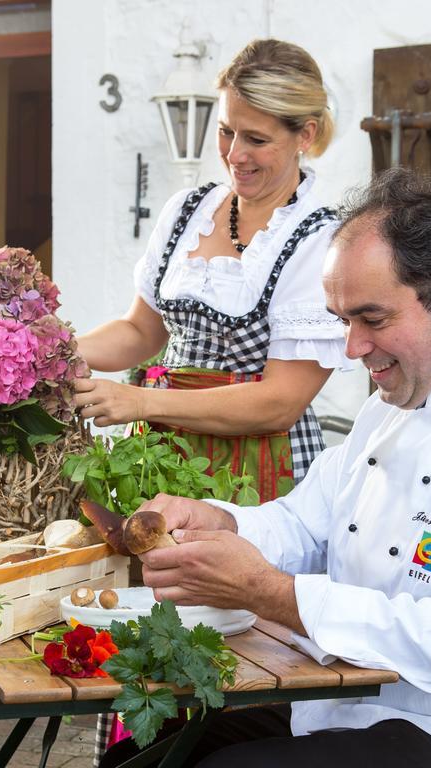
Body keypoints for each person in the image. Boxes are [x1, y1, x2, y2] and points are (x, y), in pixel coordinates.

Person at [135, 168, 431, 768]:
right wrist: (219, 522)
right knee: (150, 759)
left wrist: (275, 595)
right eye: (341, 319)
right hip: (338, 703)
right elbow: (304, 525)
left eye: (372, 320)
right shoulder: (386, 410)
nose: (351, 348)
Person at [74, 38, 351, 504]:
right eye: (226, 131)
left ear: (304, 135)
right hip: (168, 457)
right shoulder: (187, 211)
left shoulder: (321, 241)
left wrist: (141, 401)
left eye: (256, 139)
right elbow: (140, 331)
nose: (234, 154)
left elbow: (279, 403)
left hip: (259, 473)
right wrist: (57, 356)